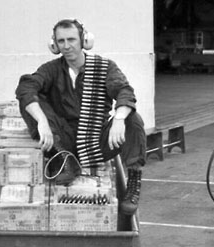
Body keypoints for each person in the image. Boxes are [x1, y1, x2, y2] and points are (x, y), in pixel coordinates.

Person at [15, 19, 146, 215]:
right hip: (63, 141)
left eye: (71, 40)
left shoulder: (104, 67)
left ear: (84, 40)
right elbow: (26, 87)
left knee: (133, 119)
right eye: (61, 41)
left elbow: (124, 91)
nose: (66, 46)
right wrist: (41, 121)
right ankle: (66, 160)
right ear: (54, 45)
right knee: (31, 99)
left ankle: (133, 182)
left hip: (96, 142)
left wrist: (119, 119)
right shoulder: (51, 69)